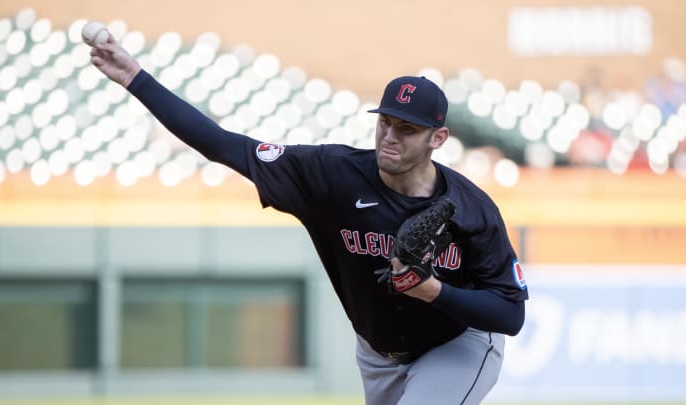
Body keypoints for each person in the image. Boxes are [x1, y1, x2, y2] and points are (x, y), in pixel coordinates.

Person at [89, 32, 528, 405]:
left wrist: (432, 291)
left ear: (439, 138)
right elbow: (224, 146)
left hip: (456, 342)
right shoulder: (331, 175)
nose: (389, 138)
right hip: (378, 355)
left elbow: (510, 315)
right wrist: (134, 78)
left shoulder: (472, 209)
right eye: (386, 124)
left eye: (407, 130)